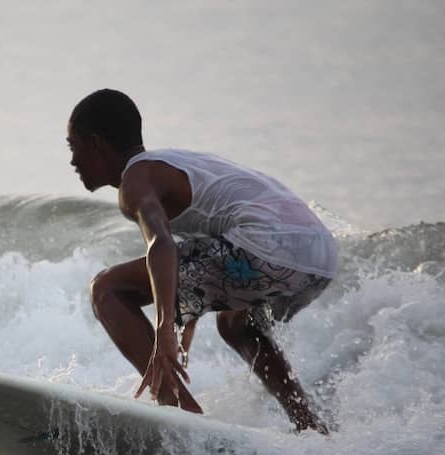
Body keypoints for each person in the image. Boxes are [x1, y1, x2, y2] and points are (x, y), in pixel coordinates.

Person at [66, 89, 337, 433]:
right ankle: (311, 426)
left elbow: (162, 244)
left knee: (107, 289)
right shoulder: (172, 164)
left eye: (73, 147)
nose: (72, 161)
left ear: (96, 144)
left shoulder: (135, 182)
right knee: (236, 325)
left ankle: (181, 415)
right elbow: (199, 255)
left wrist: (164, 329)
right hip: (318, 256)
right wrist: (187, 317)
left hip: (266, 245)